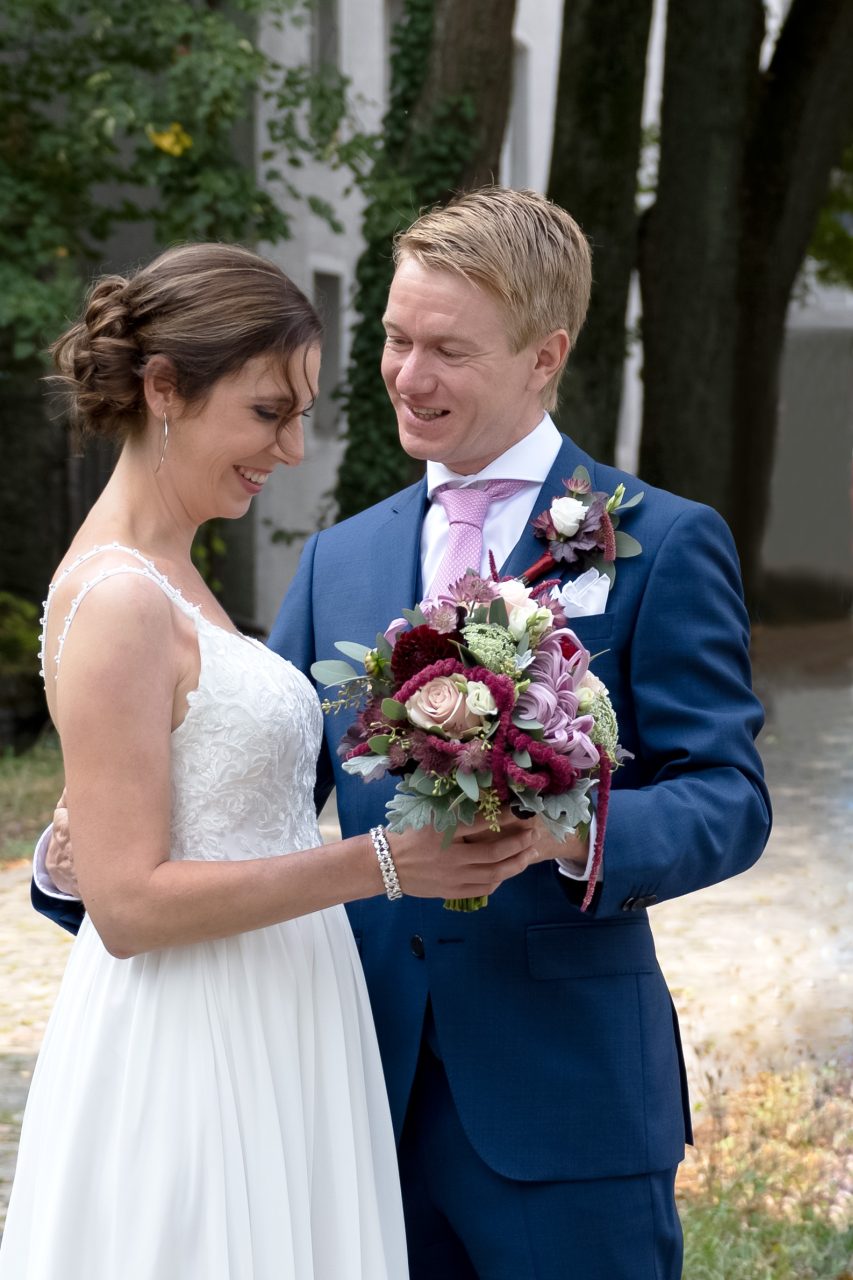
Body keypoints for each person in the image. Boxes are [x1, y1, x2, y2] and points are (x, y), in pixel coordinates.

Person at [33, 189, 771, 1279]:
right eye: (394, 338)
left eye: (448, 350)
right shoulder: (342, 557)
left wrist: (564, 834)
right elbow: (254, 771)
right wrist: (79, 864)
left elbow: (729, 797)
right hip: (348, 1089)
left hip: (563, 1103)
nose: (407, 375)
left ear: (544, 355)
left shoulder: (656, 541)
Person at [5, 242, 537, 1280]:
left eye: (299, 415)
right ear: (165, 389)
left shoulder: (173, 573)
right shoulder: (119, 596)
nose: (291, 448)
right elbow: (128, 906)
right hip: (197, 1037)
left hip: (282, 1011)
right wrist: (385, 863)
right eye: (267, 412)